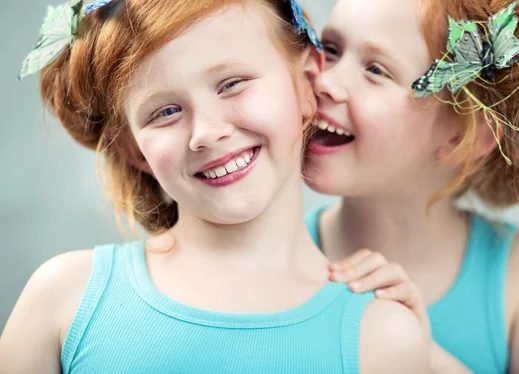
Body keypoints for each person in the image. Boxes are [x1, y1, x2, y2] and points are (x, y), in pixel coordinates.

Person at [0, 0, 428, 372]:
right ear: (134, 150)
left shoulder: (381, 335)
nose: (205, 132)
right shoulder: (63, 301)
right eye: (165, 111)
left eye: (232, 84)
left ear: (306, 83)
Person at [304, 0, 519, 372]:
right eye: (330, 49)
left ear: (462, 136)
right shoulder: (277, 257)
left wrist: (419, 352)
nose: (325, 81)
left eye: (376, 70)